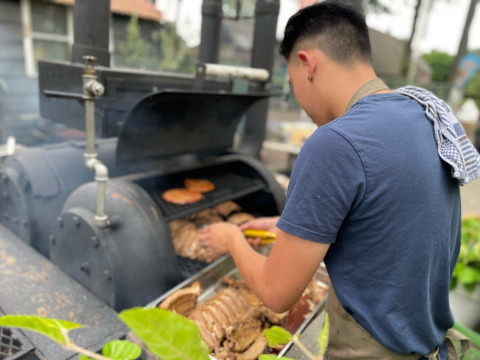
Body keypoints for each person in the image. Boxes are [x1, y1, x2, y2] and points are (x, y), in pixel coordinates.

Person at [199, 1, 475, 358]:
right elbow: (389, 220)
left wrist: (232, 239)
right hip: (427, 343)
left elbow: (276, 294)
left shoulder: (334, 142)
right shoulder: (424, 113)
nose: (298, 100)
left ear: (307, 63)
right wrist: (292, 227)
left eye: (292, 84)